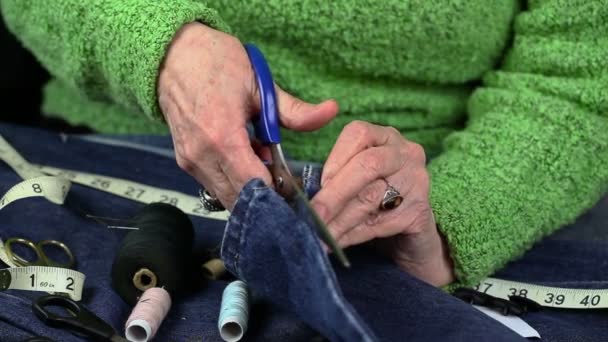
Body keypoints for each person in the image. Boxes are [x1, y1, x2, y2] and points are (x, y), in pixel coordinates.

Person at [0, 0, 606, 290]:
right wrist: (161, 50)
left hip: (425, 201)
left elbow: (579, 80)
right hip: (113, 145)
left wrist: (453, 223)